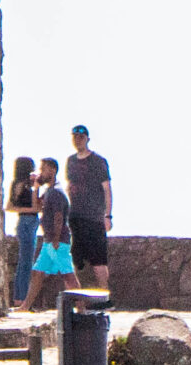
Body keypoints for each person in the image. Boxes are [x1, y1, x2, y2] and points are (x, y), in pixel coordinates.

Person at [64, 126, 113, 293]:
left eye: (81, 137)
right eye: (75, 137)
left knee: (99, 260)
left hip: (94, 217)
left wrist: (108, 215)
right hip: (76, 216)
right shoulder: (70, 161)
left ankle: (105, 296)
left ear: (87, 139)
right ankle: (77, 299)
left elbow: (106, 189)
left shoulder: (98, 161)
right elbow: (70, 185)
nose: (78, 140)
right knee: (76, 259)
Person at [21, 158, 74, 310]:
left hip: (57, 241)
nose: (40, 172)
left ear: (52, 170)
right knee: (37, 273)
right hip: (49, 241)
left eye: (43, 169)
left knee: (68, 276)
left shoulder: (56, 193)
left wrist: (56, 240)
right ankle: (26, 306)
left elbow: (59, 217)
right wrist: (36, 187)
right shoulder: (49, 192)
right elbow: (36, 206)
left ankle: (82, 308)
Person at [6, 156, 40, 304]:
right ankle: (22, 298)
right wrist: (35, 190)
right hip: (27, 221)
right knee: (26, 262)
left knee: (24, 261)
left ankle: (20, 297)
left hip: (27, 222)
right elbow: (10, 207)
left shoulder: (19, 183)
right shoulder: (22, 185)